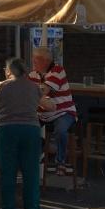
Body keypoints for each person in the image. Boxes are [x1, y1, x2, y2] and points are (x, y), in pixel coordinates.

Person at [0, 58, 57, 209]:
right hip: (30, 129)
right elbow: (49, 106)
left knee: (8, 168)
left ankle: (8, 208)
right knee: (30, 169)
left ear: (9, 71)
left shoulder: (1, 86)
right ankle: (32, 208)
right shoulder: (34, 87)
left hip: (7, 128)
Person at [29, 47, 78, 176]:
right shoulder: (33, 74)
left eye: (35, 59)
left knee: (61, 130)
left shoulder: (58, 70)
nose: (32, 61)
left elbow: (44, 90)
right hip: (42, 113)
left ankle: (60, 162)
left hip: (64, 111)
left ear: (45, 61)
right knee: (25, 127)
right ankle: (39, 151)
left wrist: (29, 89)